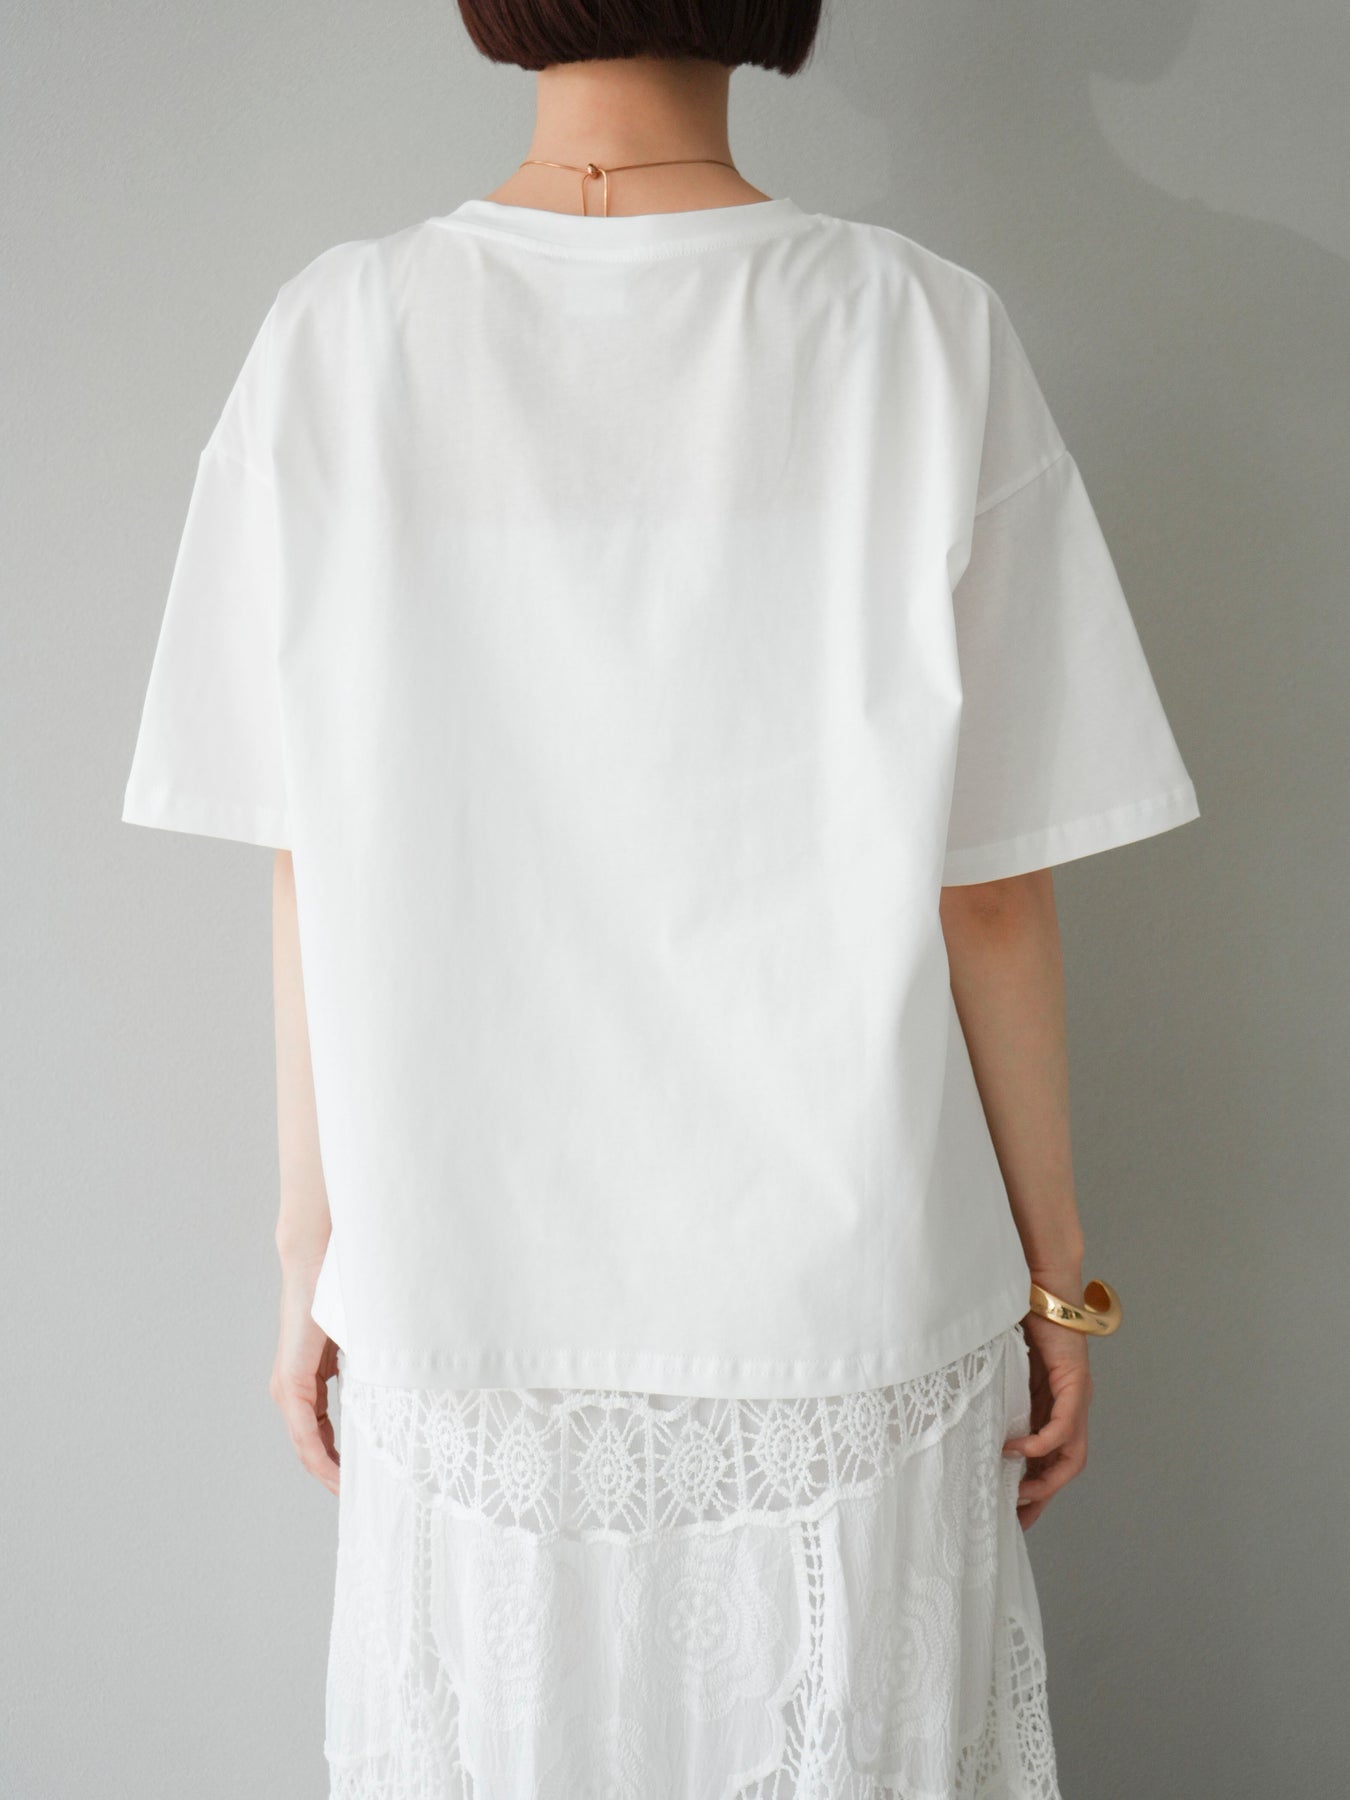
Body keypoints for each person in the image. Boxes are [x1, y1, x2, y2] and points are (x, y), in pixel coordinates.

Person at [121, 4, 1199, 1794]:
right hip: (844, 1297)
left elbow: (314, 854)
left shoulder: (338, 334)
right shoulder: (916, 330)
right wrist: (1058, 1275)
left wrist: (314, 1253)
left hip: (462, 1293)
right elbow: (992, 888)